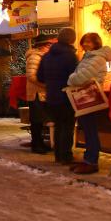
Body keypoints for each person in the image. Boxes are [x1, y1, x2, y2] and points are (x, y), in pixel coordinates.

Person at [67, 32, 111, 175]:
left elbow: (80, 77)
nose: (86, 44)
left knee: (90, 129)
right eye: (84, 41)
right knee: (87, 129)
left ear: (96, 43)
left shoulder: (97, 58)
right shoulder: (90, 56)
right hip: (85, 97)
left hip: (90, 97)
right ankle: (88, 158)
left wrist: (70, 79)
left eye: (89, 41)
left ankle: (92, 162)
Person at [37, 27, 79, 165]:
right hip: (66, 96)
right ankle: (66, 156)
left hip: (51, 96)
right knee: (67, 126)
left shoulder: (47, 56)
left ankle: (58, 156)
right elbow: (75, 78)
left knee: (58, 126)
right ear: (72, 40)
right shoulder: (71, 56)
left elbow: (40, 77)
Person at [26, 34, 54, 153]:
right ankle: (36, 145)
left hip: (40, 92)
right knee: (37, 120)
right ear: (43, 46)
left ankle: (39, 143)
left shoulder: (42, 56)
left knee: (40, 119)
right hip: (36, 93)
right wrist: (46, 85)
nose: (50, 48)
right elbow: (31, 76)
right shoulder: (35, 56)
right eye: (49, 45)